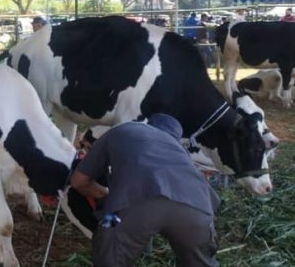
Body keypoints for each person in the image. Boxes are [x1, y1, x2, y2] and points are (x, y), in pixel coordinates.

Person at [70, 113, 220, 267]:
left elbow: (78, 181)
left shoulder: (124, 130)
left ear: (147, 124)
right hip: (198, 210)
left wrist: (110, 197)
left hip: (133, 205)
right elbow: (213, 202)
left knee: (109, 255)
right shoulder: (182, 153)